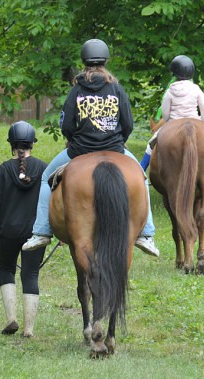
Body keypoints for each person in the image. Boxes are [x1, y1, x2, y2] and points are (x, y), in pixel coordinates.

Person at [22, 38, 160, 257]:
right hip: (115, 149)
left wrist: (74, 140)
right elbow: (128, 124)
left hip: (80, 150)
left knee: (46, 176)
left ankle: (41, 231)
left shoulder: (76, 90)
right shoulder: (116, 89)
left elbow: (66, 125)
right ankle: (146, 234)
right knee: (140, 177)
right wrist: (118, 142)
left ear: (84, 61)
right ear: (105, 60)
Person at [0, 121, 48, 337]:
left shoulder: (3, 170)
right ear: (32, 144)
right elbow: (52, 202)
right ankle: (29, 329)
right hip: (35, 233)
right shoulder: (44, 169)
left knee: (7, 271)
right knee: (31, 274)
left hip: (8, 233)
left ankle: (11, 319)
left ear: (11, 144)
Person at [139, 55, 204, 172]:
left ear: (174, 73)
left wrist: (169, 121)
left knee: (152, 142)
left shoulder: (170, 91)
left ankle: (142, 167)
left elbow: (165, 113)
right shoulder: (196, 88)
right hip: (194, 120)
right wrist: (201, 120)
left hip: (174, 121)